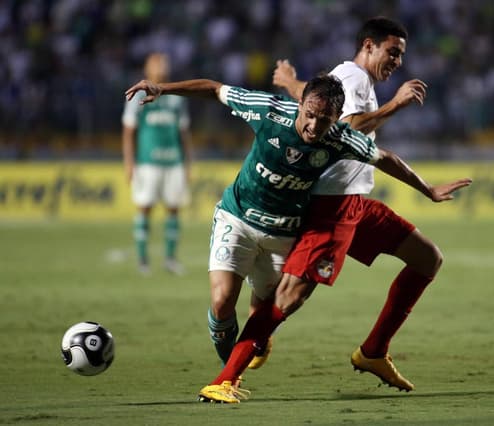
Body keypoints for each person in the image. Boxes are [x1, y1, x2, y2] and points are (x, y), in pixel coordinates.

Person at [124, 72, 471, 404]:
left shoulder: (340, 138)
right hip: (238, 217)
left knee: (263, 312)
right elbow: (215, 89)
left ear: (338, 118)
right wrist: (163, 88)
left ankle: (239, 363)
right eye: (309, 115)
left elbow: (385, 159)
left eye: (325, 119)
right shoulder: (267, 110)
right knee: (222, 301)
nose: (314, 126)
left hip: (283, 234)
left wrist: (428, 190)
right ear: (301, 104)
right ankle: (228, 378)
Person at [248, 16, 441, 392]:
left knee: (427, 258)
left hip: (356, 203)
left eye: (401, 55)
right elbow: (344, 129)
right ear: (369, 46)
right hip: (331, 205)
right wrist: (396, 105)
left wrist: (290, 83)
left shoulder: (349, 78)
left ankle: (373, 351)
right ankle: (239, 355)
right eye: (393, 52)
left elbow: (320, 102)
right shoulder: (354, 77)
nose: (398, 62)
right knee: (288, 298)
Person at [122, 53, 192, 275]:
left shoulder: (176, 97)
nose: (161, 67)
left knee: (173, 209)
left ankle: (170, 259)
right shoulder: (138, 94)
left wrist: (188, 163)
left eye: (164, 63)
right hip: (147, 162)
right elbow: (128, 131)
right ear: (146, 68)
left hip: (173, 162)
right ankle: (143, 260)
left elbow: (184, 132)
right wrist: (129, 162)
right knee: (145, 207)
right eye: (156, 63)